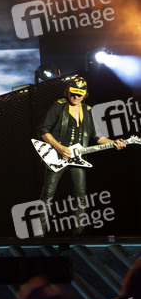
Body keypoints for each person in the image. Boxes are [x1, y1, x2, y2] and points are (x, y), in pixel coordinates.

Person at [37, 77, 124, 235]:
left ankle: (79, 234)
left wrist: (114, 142)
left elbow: (96, 136)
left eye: (79, 94)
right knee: (48, 195)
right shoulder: (59, 106)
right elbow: (43, 130)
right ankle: (39, 234)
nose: (76, 97)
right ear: (68, 91)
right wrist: (59, 147)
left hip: (77, 157)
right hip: (57, 156)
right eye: (73, 93)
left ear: (85, 94)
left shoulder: (87, 110)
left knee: (80, 195)